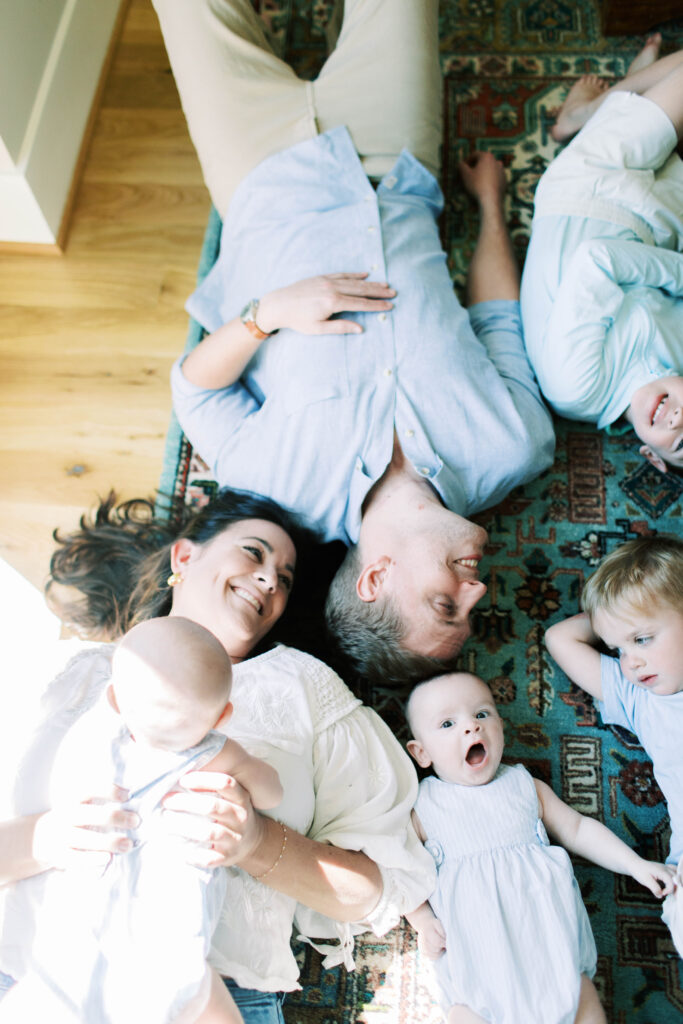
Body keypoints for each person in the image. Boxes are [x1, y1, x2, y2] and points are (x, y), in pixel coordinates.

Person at [153, 0, 556, 684]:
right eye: (471, 609)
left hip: (258, 178)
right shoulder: (514, 444)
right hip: (393, 160)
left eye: (444, 605)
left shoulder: (279, 488)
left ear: (374, 579)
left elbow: (195, 387)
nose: (477, 591)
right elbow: (497, 318)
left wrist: (267, 314)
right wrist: (488, 206)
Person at [0, 488, 436, 1024]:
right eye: (254, 553)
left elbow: (376, 889)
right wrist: (44, 838)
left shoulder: (302, 687)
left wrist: (255, 842)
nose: (271, 579)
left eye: (285, 578)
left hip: (211, 987)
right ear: (184, 557)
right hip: (32, 962)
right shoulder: (76, 672)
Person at [0, 615, 286, 1024]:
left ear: (114, 699)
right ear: (222, 716)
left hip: (72, 953)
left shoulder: (88, 736)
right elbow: (271, 791)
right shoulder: (210, 752)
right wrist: (249, 777)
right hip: (170, 960)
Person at [403, 672, 675, 1024]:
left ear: (501, 725)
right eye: (448, 723)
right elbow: (398, 869)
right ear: (421, 752)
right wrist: (422, 920)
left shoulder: (524, 785)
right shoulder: (424, 807)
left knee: (585, 1004)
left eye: (482, 714)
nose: (471, 726)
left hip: (557, 964)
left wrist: (635, 864)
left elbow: (578, 829)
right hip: (478, 978)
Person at [520, 41, 683, 473]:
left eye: (681, 443)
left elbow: (597, 261)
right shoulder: (678, 359)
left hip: (589, 191)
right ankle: (625, 100)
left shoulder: (578, 388)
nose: (677, 419)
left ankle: (584, 116)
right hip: (663, 221)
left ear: (654, 458)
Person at [545, 535, 683, 957]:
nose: (631, 661)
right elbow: (559, 638)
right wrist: (613, 616)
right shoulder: (640, 698)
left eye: (641, 639)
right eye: (617, 648)